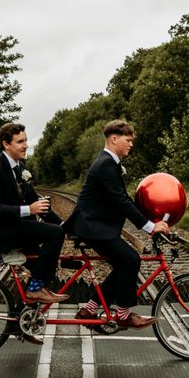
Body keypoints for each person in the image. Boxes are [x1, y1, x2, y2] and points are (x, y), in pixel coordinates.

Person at [66, 119, 169, 329]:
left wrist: (150, 221)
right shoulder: (106, 164)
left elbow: (123, 199)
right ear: (114, 139)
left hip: (96, 226)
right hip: (92, 227)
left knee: (124, 263)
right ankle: (123, 314)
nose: (131, 144)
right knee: (131, 260)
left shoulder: (109, 163)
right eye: (128, 140)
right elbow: (121, 201)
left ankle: (91, 308)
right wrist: (150, 226)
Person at [0, 122, 68, 305]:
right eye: (20, 142)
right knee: (54, 235)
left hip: (13, 228)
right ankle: (35, 289)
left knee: (44, 264)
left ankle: (23, 319)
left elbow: (39, 204)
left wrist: (66, 226)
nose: (25, 145)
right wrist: (29, 210)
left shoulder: (19, 168)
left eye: (25, 141)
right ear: (6, 144)